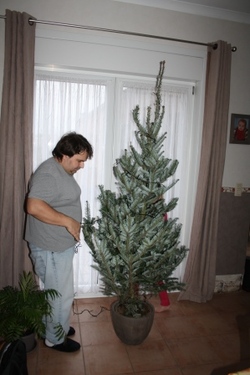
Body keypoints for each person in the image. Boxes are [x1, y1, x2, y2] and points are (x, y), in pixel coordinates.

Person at [25, 132, 93, 353]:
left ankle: (55, 327)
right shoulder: (48, 173)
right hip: (51, 247)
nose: (81, 166)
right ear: (64, 155)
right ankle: (55, 338)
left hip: (56, 246)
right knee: (60, 295)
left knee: (56, 291)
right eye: (79, 160)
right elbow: (33, 206)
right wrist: (68, 221)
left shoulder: (61, 169)